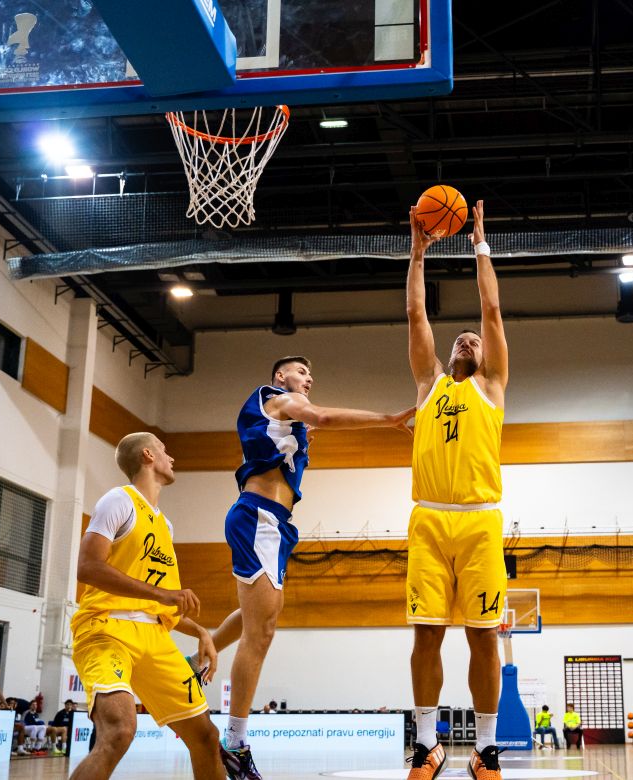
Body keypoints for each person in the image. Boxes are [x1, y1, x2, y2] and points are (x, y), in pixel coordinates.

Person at [217, 357, 414, 780]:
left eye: (310, 375)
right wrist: (388, 419)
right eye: (301, 372)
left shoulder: (285, 420)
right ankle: (234, 742)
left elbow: (309, 428)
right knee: (261, 631)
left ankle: (199, 659)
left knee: (262, 616)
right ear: (279, 377)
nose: (308, 378)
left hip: (274, 522)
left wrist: (306, 436)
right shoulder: (279, 399)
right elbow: (322, 415)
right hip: (258, 517)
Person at [403, 201, 509, 780]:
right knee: (426, 634)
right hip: (428, 520)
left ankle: (485, 748)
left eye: (475, 340)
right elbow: (416, 314)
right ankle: (427, 744)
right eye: (460, 339)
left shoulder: (491, 387)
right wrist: (418, 253)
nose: (468, 340)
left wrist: (480, 246)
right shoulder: (429, 384)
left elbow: (491, 309)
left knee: (483, 638)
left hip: (480, 521)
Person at [70, 432, 227, 780]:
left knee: (206, 737)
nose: (171, 458)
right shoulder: (119, 500)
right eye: (164, 451)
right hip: (106, 629)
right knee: (119, 731)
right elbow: (88, 567)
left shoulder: (164, 525)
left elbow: (164, 604)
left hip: (153, 635)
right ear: (148, 455)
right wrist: (161, 595)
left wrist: (200, 632)